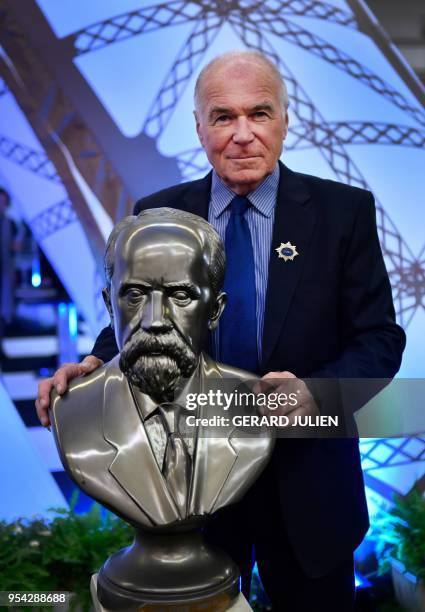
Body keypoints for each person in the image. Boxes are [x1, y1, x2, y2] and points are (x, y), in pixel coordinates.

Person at [36, 51, 406, 610]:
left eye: (258, 113)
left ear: (285, 119)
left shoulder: (343, 212)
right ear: (199, 126)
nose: (242, 135)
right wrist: (96, 362)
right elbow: (134, 319)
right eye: (223, 117)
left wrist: (314, 392)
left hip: (308, 485)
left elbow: (380, 340)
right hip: (190, 480)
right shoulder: (157, 212)